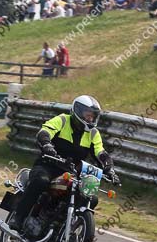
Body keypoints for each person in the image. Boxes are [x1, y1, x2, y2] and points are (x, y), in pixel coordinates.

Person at [9, 95, 118, 232]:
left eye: (93, 117)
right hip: (49, 165)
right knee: (40, 181)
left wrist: (110, 169)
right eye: (88, 115)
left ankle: (67, 229)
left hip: (73, 172)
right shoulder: (62, 120)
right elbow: (44, 132)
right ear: (77, 111)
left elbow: (101, 153)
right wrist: (47, 146)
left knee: (91, 198)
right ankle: (19, 217)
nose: (90, 119)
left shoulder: (93, 133)